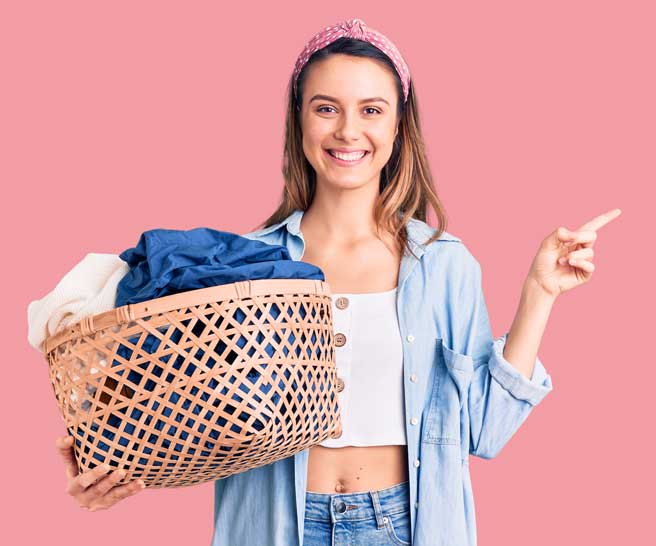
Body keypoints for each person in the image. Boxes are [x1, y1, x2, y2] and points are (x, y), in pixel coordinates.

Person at [54, 18, 620, 545]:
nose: (349, 130)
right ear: (299, 120)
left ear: (400, 125)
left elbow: (487, 433)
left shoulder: (446, 266)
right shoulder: (243, 267)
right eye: (326, 108)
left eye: (372, 110)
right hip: (276, 526)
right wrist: (108, 465)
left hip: (407, 525)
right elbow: (180, 412)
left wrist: (539, 294)